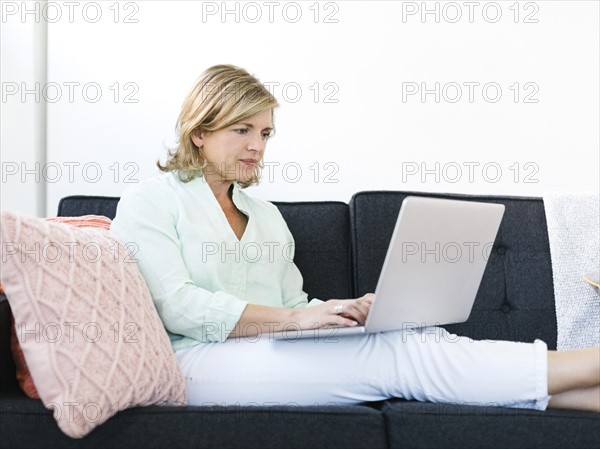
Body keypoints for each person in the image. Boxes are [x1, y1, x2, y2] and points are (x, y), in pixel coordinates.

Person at [110, 64, 600, 412]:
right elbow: (178, 307)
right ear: (200, 131)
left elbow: (292, 304)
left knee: (412, 336)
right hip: (195, 363)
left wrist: (340, 311)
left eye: (265, 133)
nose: (257, 147)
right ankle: (588, 363)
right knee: (395, 358)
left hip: (263, 353)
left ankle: (583, 396)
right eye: (243, 130)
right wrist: (297, 319)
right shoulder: (150, 201)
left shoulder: (265, 216)